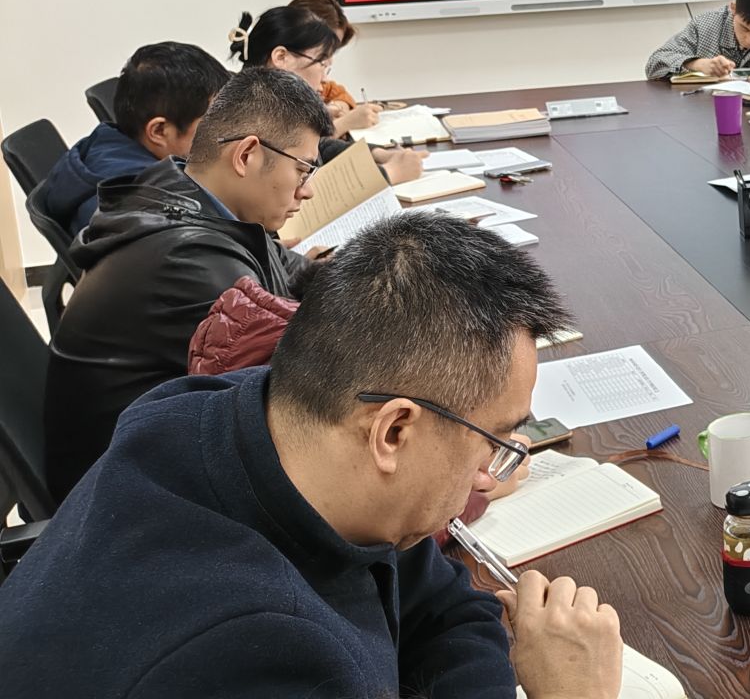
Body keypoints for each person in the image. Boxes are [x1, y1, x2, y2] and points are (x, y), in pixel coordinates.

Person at [0, 211, 626, 698]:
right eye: (492, 443)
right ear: (393, 432)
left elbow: (448, 609)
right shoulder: (255, 653)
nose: (488, 477)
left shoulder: (248, 414)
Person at [43, 66, 332, 500]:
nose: (306, 191)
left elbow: (293, 272)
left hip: (154, 454)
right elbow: (303, 390)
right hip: (123, 496)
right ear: (247, 155)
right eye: (303, 170)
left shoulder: (187, 192)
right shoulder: (189, 262)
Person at [41, 42, 230, 238]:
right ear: (159, 131)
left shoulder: (109, 149)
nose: (225, 134)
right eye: (213, 123)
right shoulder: (140, 212)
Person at [230, 5, 424, 184]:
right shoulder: (252, 117)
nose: (325, 78)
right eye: (322, 64)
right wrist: (391, 173)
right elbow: (307, 194)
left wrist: (377, 154)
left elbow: (319, 147)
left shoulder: (272, 102)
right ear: (281, 57)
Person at [288, 0, 375, 122]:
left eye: (333, 50)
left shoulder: (314, 79)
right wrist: (344, 123)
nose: (329, 59)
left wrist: (337, 107)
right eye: (324, 49)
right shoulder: (266, 90)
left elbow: (339, 93)